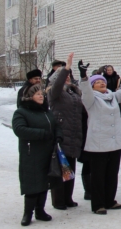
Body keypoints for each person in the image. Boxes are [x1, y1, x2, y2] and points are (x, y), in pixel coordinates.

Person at [79, 54, 121, 215]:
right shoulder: (90, 99)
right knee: (98, 175)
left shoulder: (113, 96)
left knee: (111, 173)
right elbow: (86, 92)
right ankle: (98, 204)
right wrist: (84, 76)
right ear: (92, 86)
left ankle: (110, 200)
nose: (102, 83)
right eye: (97, 82)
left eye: (102, 81)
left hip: (115, 142)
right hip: (98, 144)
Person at [13, 82, 62, 226]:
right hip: (31, 153)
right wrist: (42, 134)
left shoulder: (46, 111)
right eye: (38, 94)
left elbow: (56, 125)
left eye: (42, 94)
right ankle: (28, 213)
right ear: (29, 96)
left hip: (48, 153)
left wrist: (58, 135)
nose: (41, 96)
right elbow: (19, 129)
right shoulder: (21, 112)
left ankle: (40, 210)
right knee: (32, 184)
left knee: (44, 182)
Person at [46, 53, 83, 210]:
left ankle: (68, 197)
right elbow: (58, 83)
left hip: (74, 135)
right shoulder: (54, 93)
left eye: (68, 76)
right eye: (63, 76)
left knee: (70, 169)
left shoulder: (73, 92)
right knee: (60, 168)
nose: (67, 78)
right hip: (60, 136)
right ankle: (58, 200)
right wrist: (66, 68)